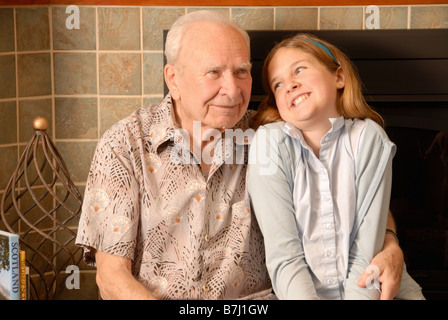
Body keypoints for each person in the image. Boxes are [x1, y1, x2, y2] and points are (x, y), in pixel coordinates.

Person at [76, 10, 406, 300]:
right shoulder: (126, 143)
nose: (233, 91)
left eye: (242, 71)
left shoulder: (274, 133)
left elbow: (346, 193)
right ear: (173, 79)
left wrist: (389, 244)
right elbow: (111, 277)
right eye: (214, 72)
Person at [247, 33, 425, 300]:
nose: (290, 85)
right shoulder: (270, 143)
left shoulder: (369, 138)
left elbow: (365, 253)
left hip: (374, 290)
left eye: (300, 69)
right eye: (278, 84)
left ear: (339, 77)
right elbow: (284, 256)